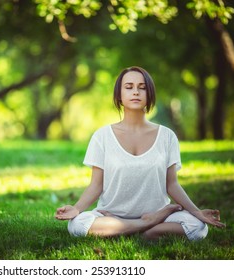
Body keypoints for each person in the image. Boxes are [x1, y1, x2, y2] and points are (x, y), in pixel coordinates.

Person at [55, 66, 225, 241]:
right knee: (77, 224)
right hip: (111, 216)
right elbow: (96, 185)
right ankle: (146, 226)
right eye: (129, 87)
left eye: (142, 87)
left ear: (149, 94)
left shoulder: (167, 136)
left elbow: (171, 184)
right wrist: (76, 209)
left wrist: (196, 212)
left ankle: (135, 229)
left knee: (198, 227)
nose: (135, 92)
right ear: (119, 95)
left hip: (159, 213)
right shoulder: (102, 136)